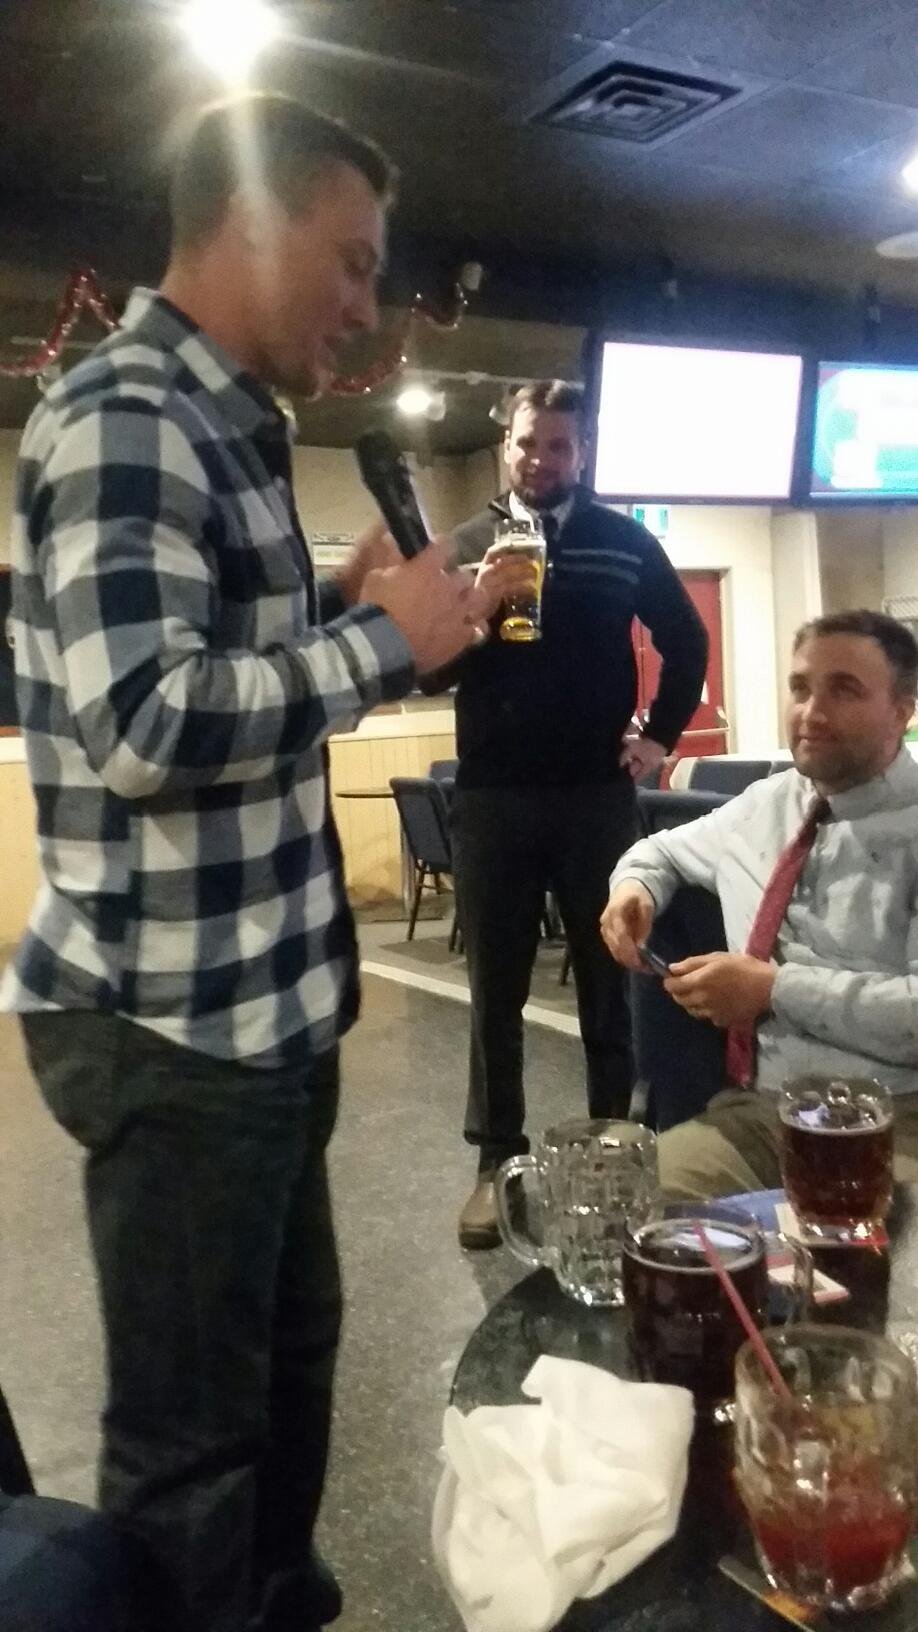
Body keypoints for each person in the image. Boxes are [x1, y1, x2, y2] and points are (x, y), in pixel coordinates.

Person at [0, 93, 498, 1632]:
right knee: (192, 1449)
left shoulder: (226, 422)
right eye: (349, 263)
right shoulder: (128, 409)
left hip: (260, 1015)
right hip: (175, 1029)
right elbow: (144, 719)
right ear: (253, 224)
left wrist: (326, 612)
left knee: (285, 1372)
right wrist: (380, 641)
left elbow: (213, 674)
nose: (366, 307)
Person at [441, 382, 708, 1248]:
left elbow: (686, 640)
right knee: (496, 991)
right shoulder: (466, 544)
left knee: (610, 978)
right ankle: (496, 1164)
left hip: (596, 795)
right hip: (491, 795)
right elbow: (425, 667)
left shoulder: (623, 541)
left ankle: (611, 1154)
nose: (541, 459)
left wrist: (659, 737)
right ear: (506, 446)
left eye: (559, 446)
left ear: (581, 453)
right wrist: (472, 611)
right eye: (529, 443)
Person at [602, 609, 918, 1196]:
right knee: (633, 1210)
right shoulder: (765, 805)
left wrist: (773, 991)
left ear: (902, 711)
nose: (811, 712)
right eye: (800, 688)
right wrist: (634, 890)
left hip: (896, 1120)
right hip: (762, 1115)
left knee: (875, 1249)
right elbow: (659, 851)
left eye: (844, 690)